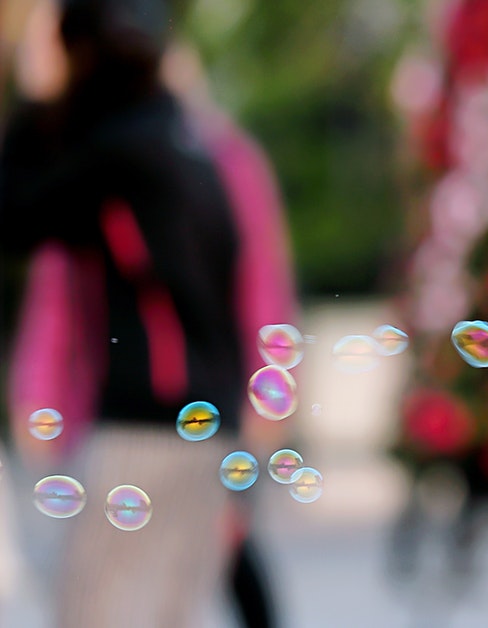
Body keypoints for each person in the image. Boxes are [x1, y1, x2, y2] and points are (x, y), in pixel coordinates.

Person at [1, 0, 290, 625]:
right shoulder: (185, 147)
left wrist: (36, 99)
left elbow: (14, 210)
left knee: (96, 613)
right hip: (203, 425)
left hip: (145, 430)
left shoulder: (120, 155)